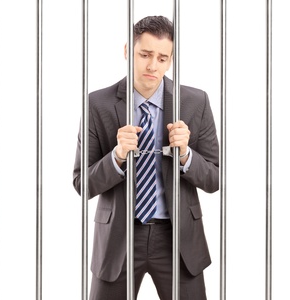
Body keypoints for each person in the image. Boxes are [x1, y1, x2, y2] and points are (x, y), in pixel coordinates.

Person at [73, 15, 219, 300]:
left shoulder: (195, 102)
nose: (154, 65)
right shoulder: (96, 104)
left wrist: (186, 155)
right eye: (145, 54)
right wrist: (116, 156)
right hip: (119, 239)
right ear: (128, 51)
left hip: (178, 241)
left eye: (163, 58)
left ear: (171, 59)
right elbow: (82, 183)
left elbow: (214, 178)